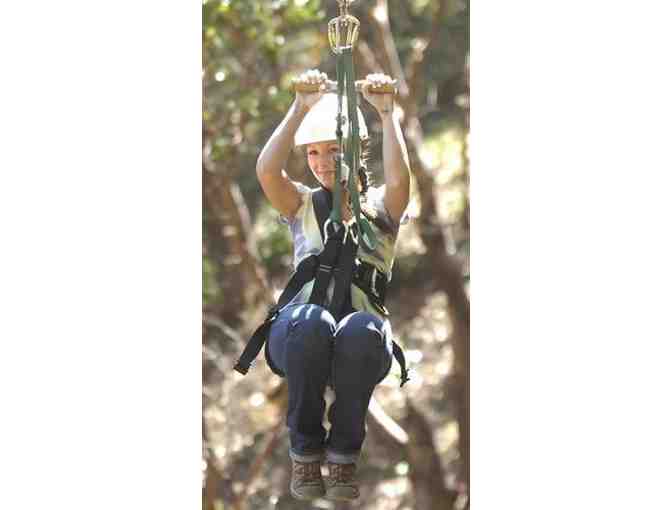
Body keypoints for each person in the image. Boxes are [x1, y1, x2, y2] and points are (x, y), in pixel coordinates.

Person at [255, 68, 410, 502]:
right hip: (299, 337)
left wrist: (387, 114)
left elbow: (400, 181)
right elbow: (267, 170)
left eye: (334, 150)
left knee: (360, 328)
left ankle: (343, 456)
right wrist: (299, 107)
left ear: (356, 152)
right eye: (313, 152)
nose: (322, 162)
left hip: (361, 344)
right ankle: (305, 453)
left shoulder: (381, 209)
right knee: (312, 320)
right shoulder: (302, 204)